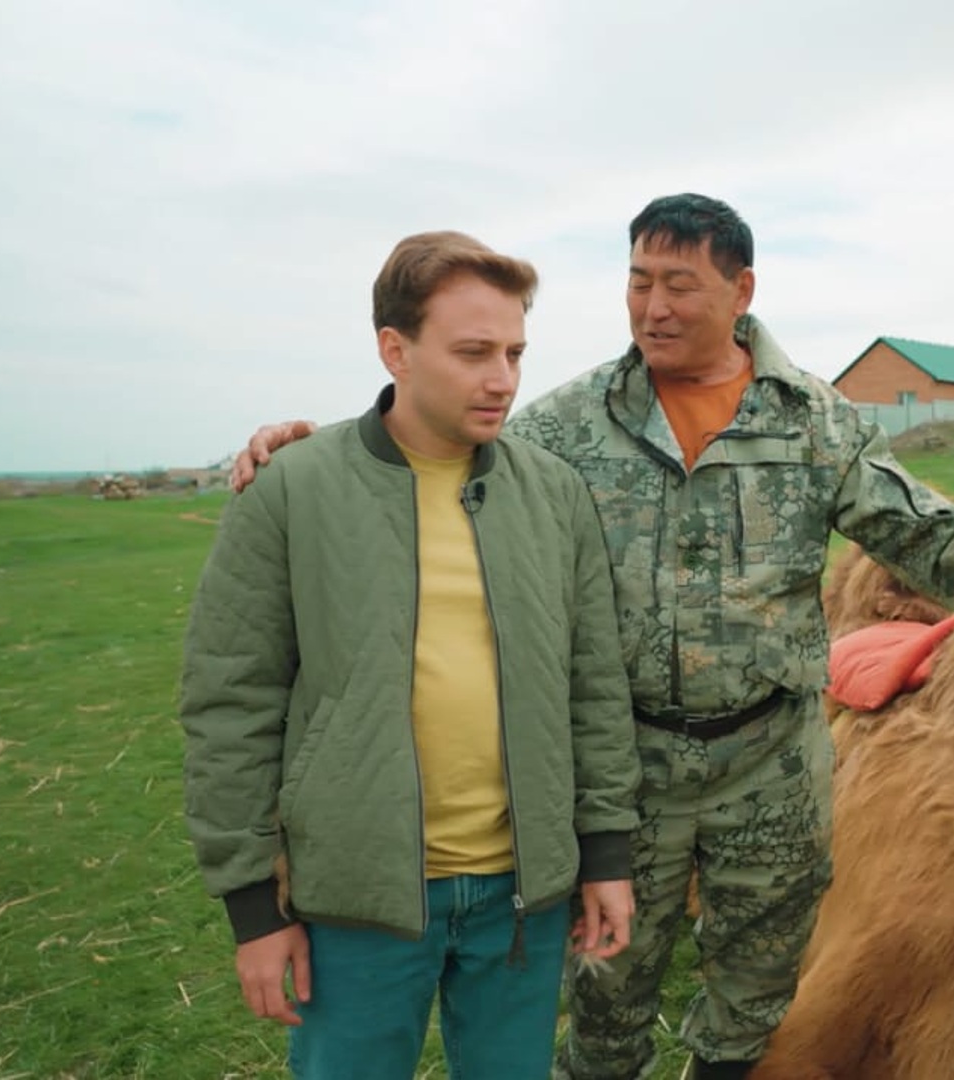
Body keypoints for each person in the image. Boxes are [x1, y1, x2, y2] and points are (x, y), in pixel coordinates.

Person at [233, 195, 954, 1080]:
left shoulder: (816, 422)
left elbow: (929, 541)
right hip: (621, 773)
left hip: (772, 770)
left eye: (680, 285)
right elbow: (432, 459)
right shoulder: (568, 424)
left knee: (756, 1000)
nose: (653, 308)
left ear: (742, 291)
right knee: (604, 1000)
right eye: (638, 282)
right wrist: (313, 452)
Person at [182, 230, 640, 1079]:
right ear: (395, 349)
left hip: (522, 898)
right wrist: (252, 908)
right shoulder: (291, 489)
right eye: (473, 353)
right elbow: (229, 704)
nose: (502, 378)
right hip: (358, 900)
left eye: (514, 352)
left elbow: (594, 688)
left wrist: (605, 853)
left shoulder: (554, 494)